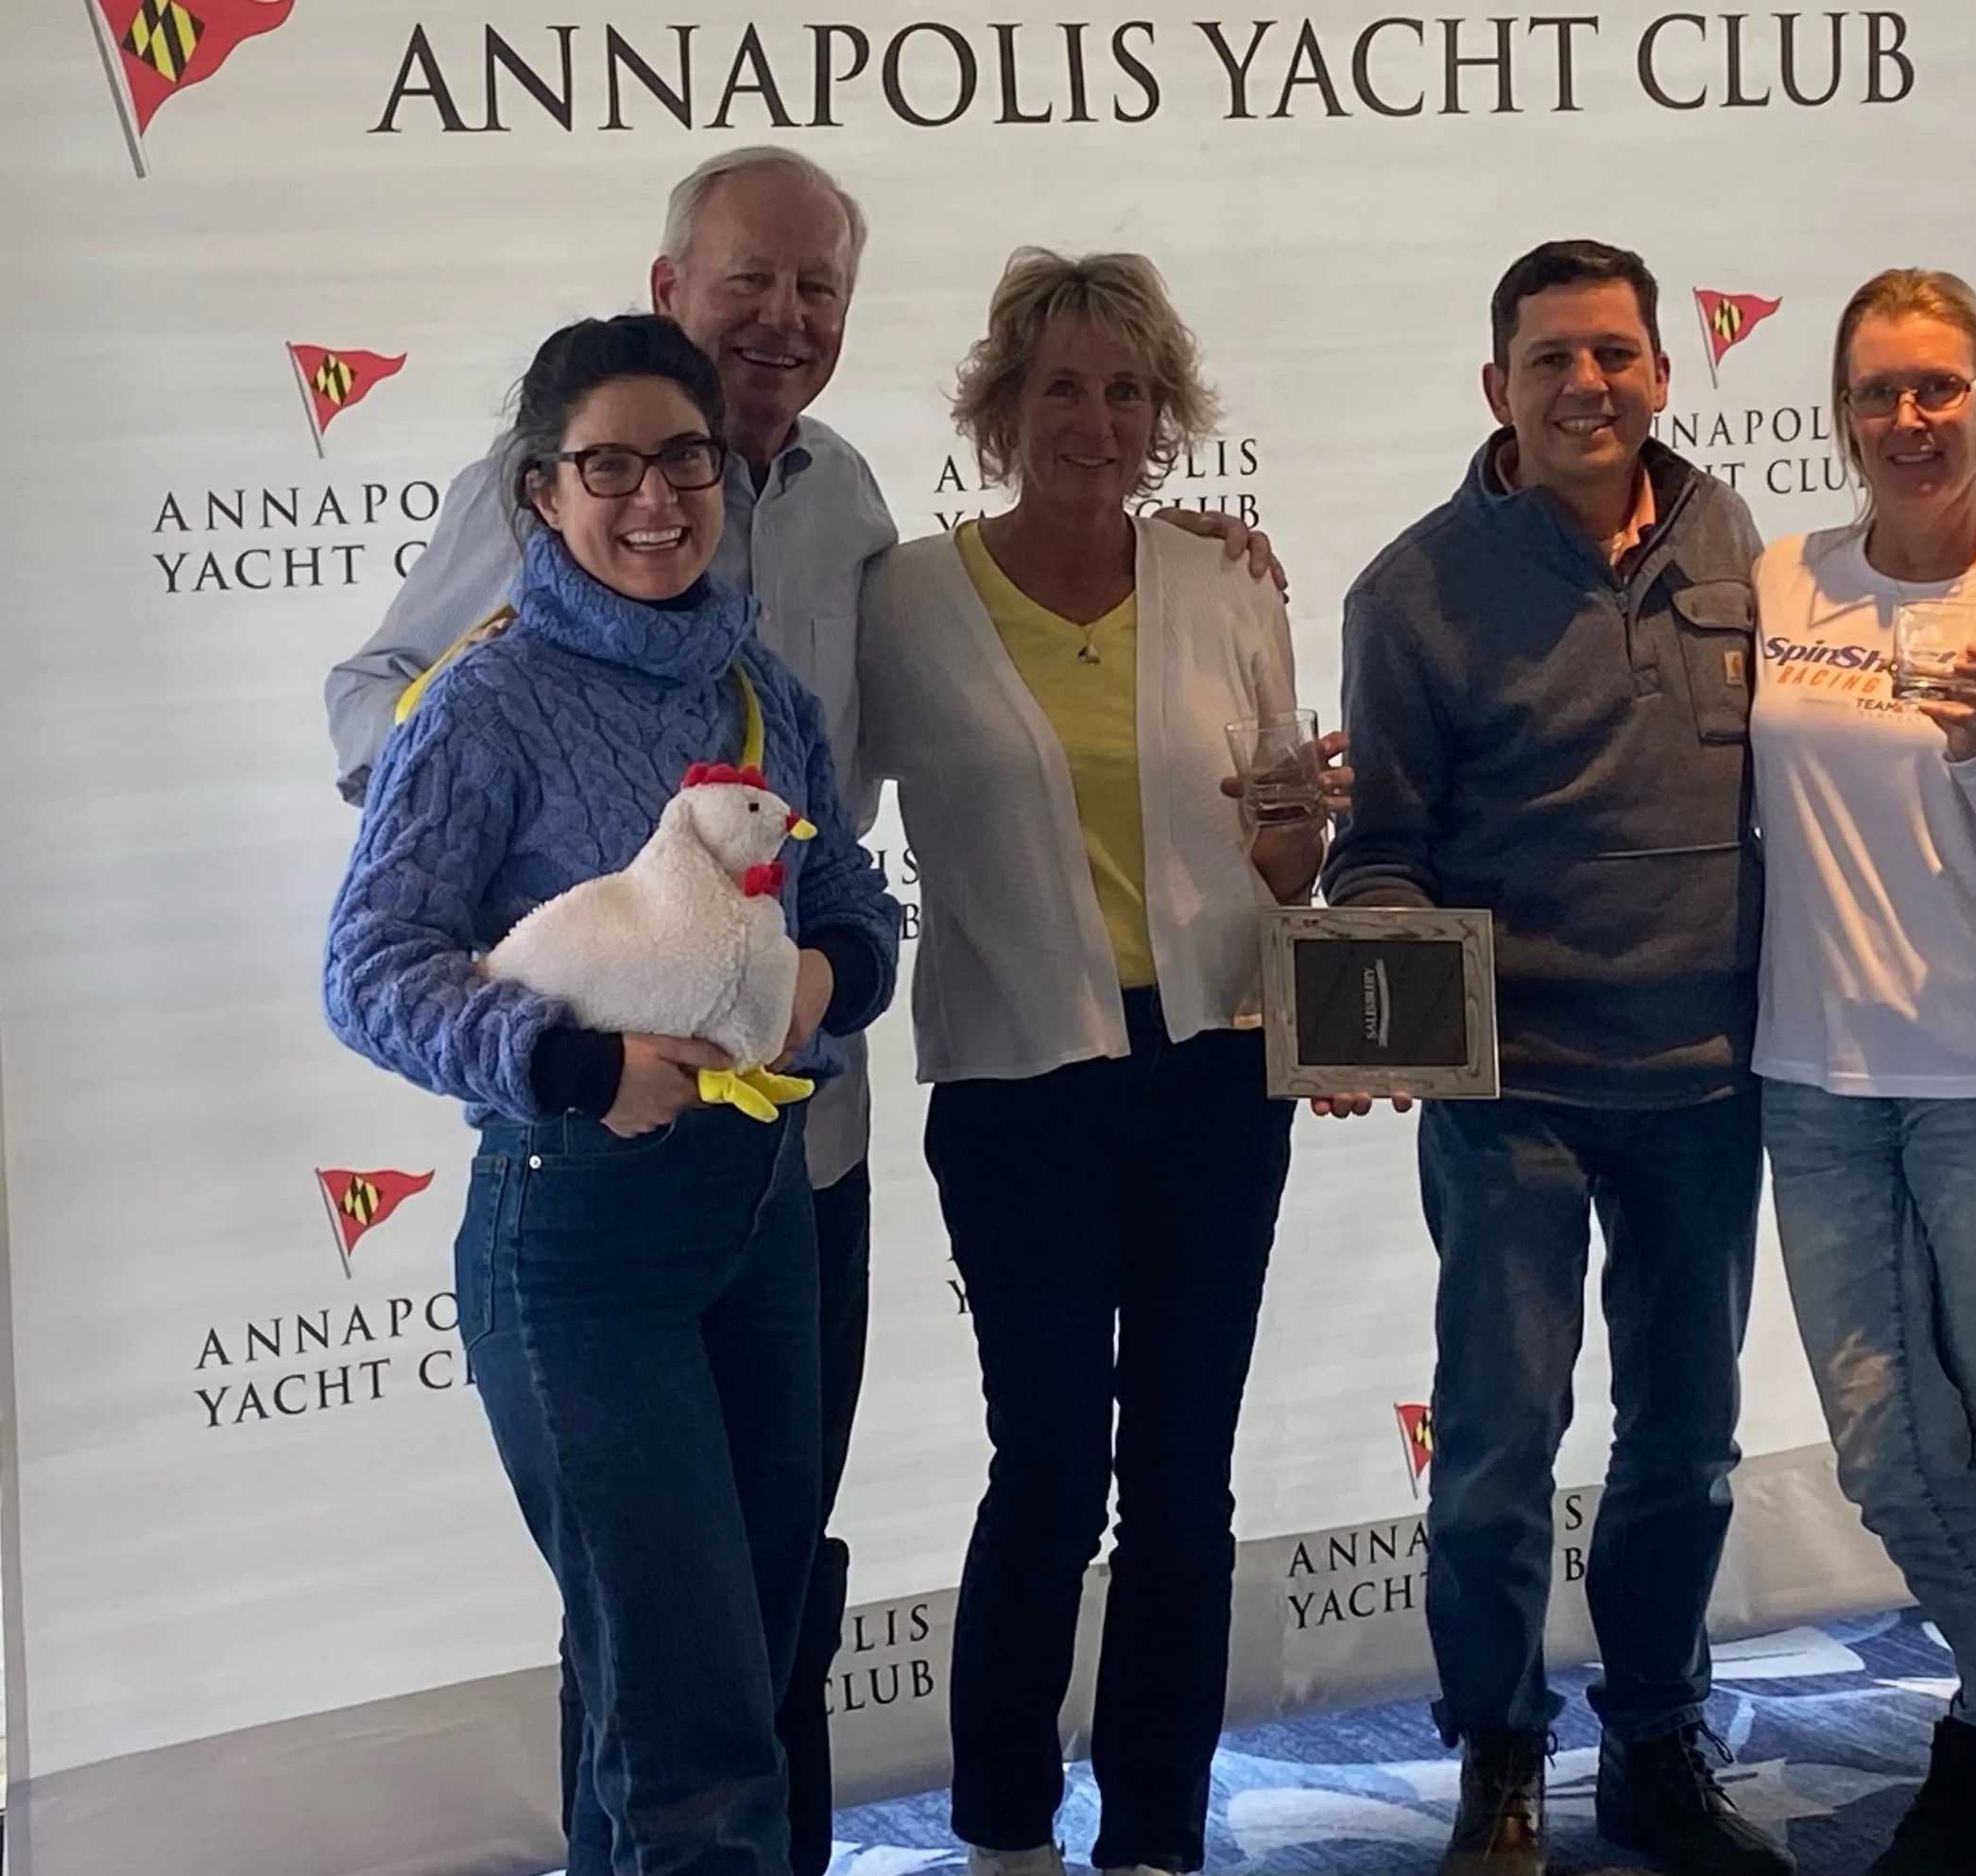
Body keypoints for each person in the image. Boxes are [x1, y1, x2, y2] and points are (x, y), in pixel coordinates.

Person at [321, 145, 1276, 1875]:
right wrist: (552, 934)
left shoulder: (835, 534)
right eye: (747, 280)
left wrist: (827, 976)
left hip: (791, 1168)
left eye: (815, 288)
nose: (781, 318)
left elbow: (841, 862)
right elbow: (380, 807)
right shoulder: (514, 607)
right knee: (666, 1649)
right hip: (590, 1166)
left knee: (760, 1603)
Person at [322, 313, 901, 1875]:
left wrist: (824, 982)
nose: (656, 499)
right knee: (688, 1728)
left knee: (728, 1673)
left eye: (686, 460)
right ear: (542, 491)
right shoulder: (486, 700)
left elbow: (856, 902)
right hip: (578, 1238)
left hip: (761, 1213)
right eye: (611, 466)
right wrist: (580, 1065)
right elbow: (369, 969)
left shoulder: (757, 684)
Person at [856, 248, 1349, 1876]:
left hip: (1217, 1078)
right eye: (1063, 386)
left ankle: (1155, 1838)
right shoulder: (903, 600)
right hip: (1018, 1092)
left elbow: (1285, 865)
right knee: (1052, 1471)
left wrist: (1301, 832)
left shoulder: (1230, 585)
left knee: (1185, 1487)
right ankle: (1005, 1832)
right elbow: (817, 809)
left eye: (1128, 391)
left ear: (1165, 413)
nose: (1096, 419)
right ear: (1003, 405)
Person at [1320, 240, 1788, 1876]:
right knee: (1497, 1455)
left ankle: (1656, 1743)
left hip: (1709, 1080)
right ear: (1497, 387)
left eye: (1614, 353)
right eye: (1551, 360)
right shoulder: (1412, 591)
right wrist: (1379, 1001)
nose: (1587, 385)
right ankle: (1500, 1759)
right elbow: (1379, 853)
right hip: (1511, 1095)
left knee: (1687, 1445)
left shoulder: (1738, 543)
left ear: (1660, 369)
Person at [1750, 268, 1976, 1876]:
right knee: (1890, 1451)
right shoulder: (1784, 577)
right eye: (1877, 392)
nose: (1908, 420)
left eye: (1938, 388)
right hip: (1817, 1076)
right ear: (1841, 415)